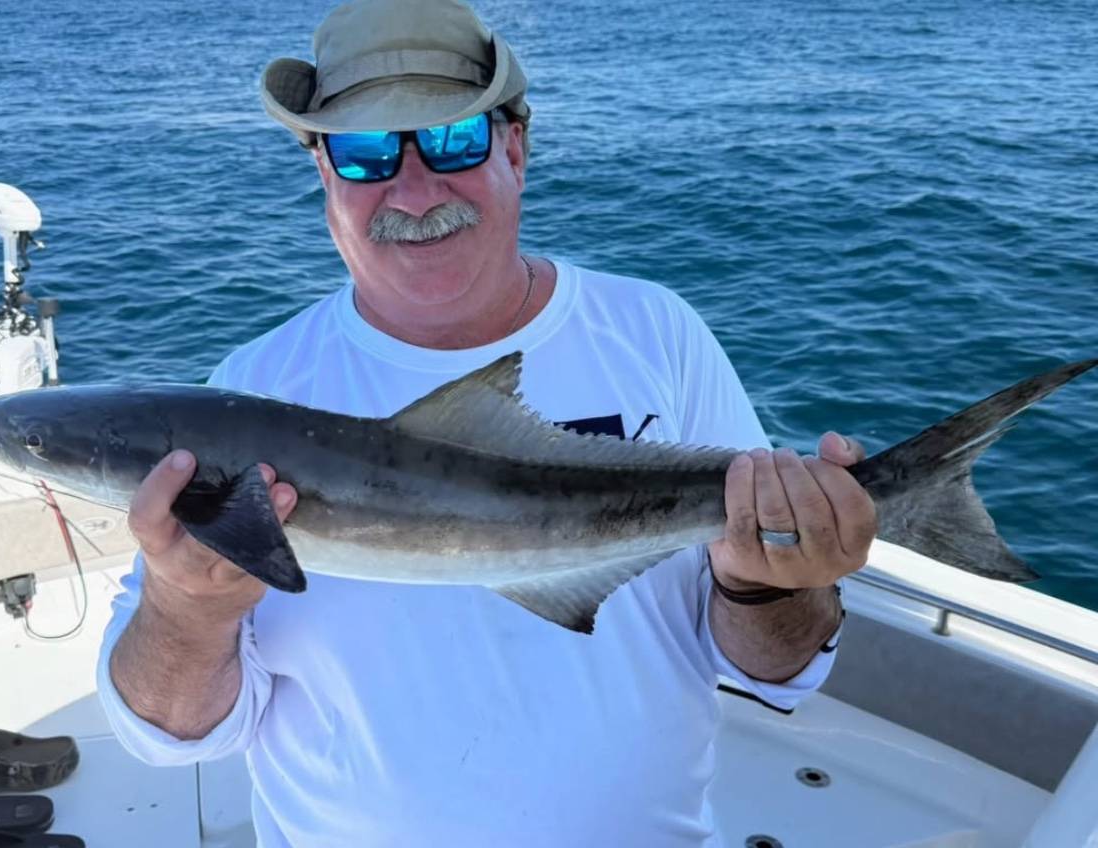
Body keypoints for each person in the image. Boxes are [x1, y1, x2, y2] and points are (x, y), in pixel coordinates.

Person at [97, 0, 876, 844]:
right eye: (365, 151)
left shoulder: (656, 334)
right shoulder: (249, 394)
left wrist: (769, 582)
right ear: (324, 170)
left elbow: (776, 669)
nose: (414, 190)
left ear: (515, 148)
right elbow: (169, 735)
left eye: (452, 138)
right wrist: (187, 608)